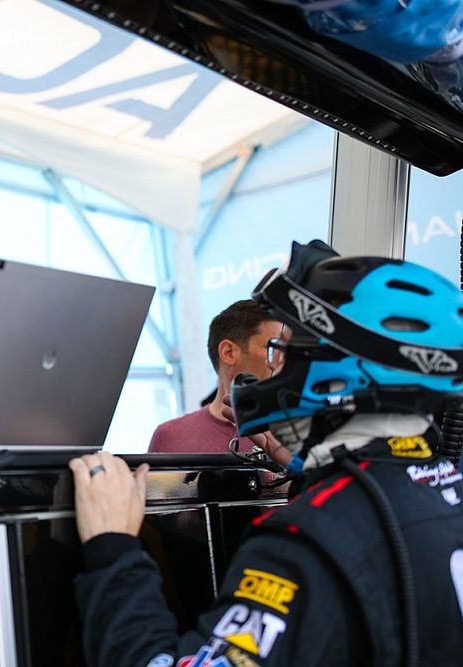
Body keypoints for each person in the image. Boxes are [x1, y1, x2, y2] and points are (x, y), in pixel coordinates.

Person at [70, 240, 463, 666]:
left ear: (335, 368)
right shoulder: (442, 487)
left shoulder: (306, 542)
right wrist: (307, 468)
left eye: (285, 350)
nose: (275, 369)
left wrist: (114, 551)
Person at [149, 300, 285, 454]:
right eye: (274, 348)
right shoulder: (170, 437)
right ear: (228, 352)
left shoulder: (300, 435)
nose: (282, 360)